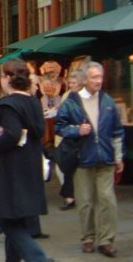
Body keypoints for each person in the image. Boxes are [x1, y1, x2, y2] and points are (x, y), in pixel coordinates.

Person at [0, 59, 51, 262]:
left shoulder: (8, 105)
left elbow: (12, 135)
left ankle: (39, 259)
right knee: (16, 221)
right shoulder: (33, 102)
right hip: (31, 166)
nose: (0, 80)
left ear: (9, 78)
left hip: (13, 171)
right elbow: (38, 131)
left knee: (8, 222)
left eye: (2, 76)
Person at [56, 60, 124, 257]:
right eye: (94, 77)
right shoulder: (71, 103)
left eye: (100, 77)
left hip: (106, 158)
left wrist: (118, 156)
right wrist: (77, 130)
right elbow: (60, 127)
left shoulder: (108, 102)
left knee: (107, 200)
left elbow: (117, 131)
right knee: (85, 202)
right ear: (85, 79)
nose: (98, 81)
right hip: (82, 159)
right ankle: (87, 237)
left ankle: (106, 240)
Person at [54, 69, 85, 211]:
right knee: (68, 168)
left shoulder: (86, 98)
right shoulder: (68, 98)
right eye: (70, 82)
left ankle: (75, 196)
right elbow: (60, 125)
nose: (72, 85)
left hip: (84, 141)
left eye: (74, 83)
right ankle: (70, 197)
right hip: (72, 140)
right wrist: (76, 130)